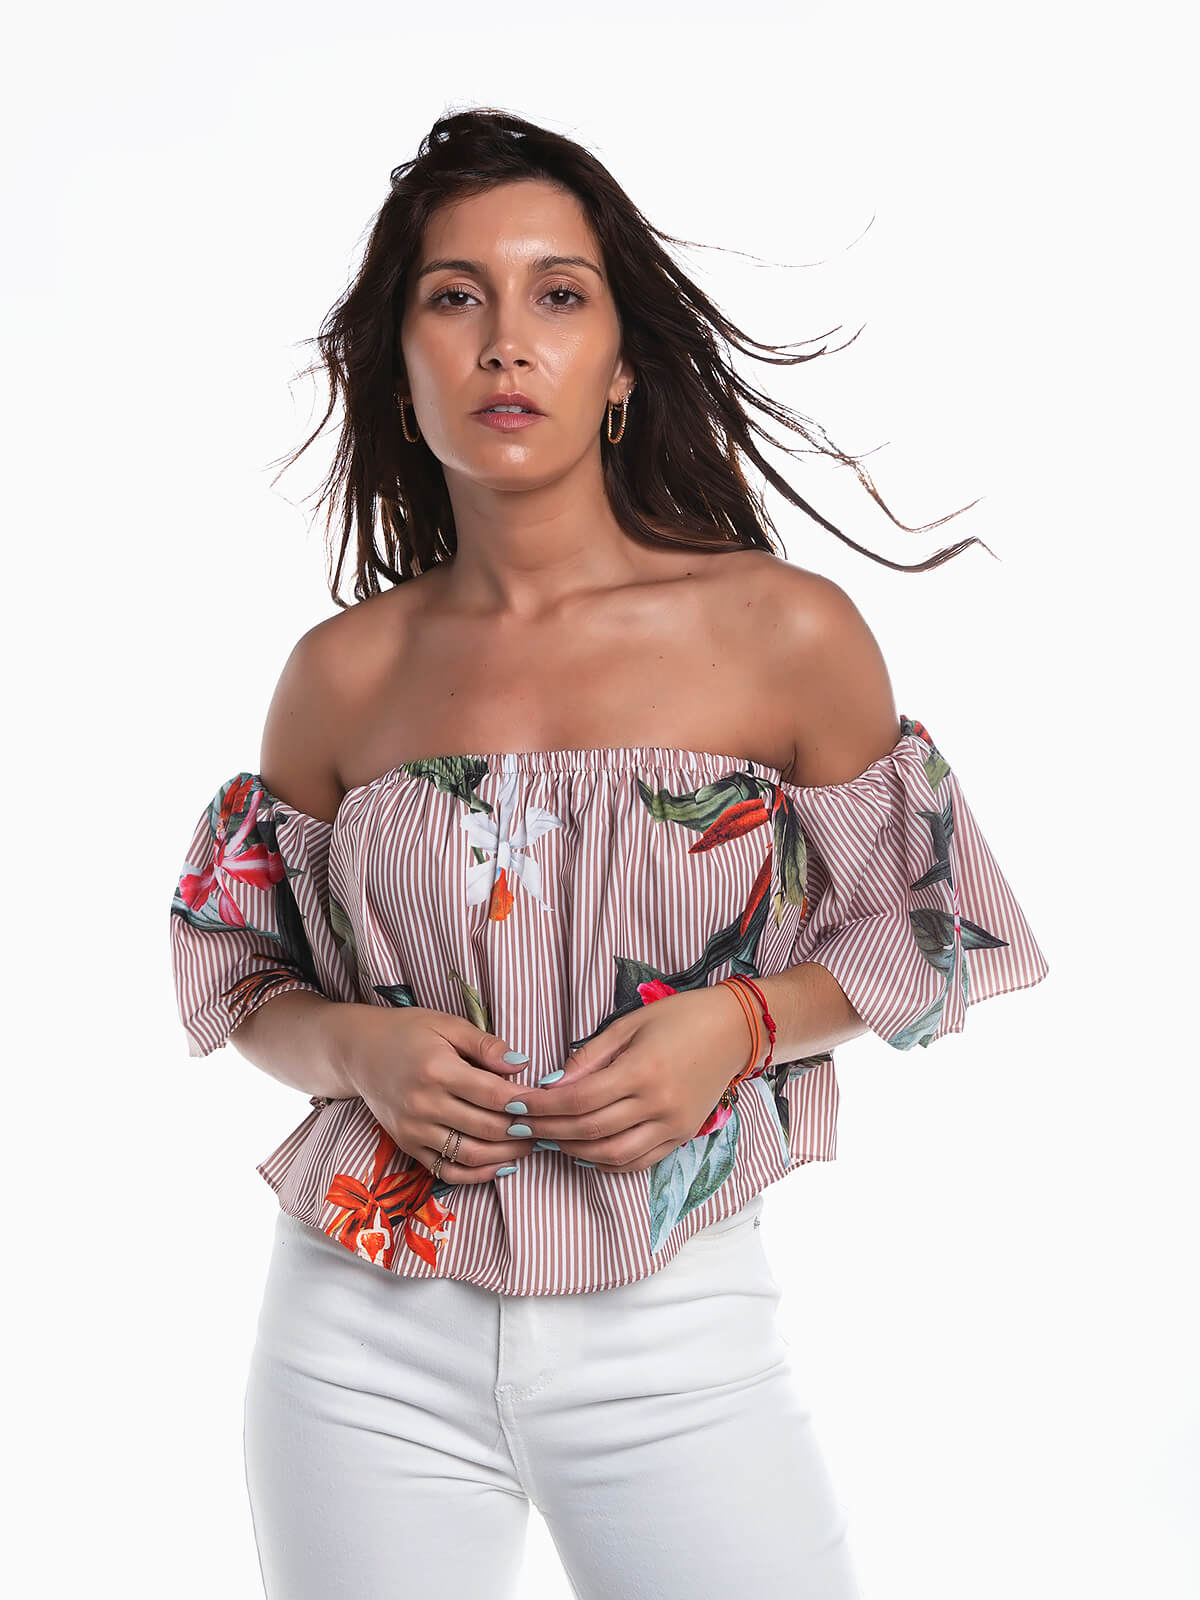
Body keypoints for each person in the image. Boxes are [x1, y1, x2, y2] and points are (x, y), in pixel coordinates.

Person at [168, 107, 1050, 1599]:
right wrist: (359, 1050)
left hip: (674, 1321)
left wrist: (745, 1022)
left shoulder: (781, 632)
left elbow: (930, 925)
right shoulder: (340, 677)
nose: (507, 342)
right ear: (400, 361)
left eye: (559, 294)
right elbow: (243, 980)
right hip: (360, 1328)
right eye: (456, 297)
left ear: (623, 361)